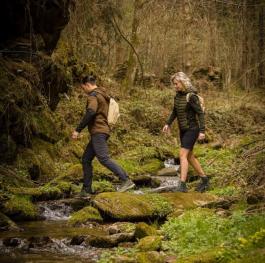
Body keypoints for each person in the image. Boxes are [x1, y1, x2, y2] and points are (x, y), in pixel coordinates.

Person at [72, 75, 135, 196]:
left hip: (98, 131)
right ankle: (86, 190)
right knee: (86, 159)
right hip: (103, 130)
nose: (83, 90)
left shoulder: (93, 96)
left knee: (104, 158)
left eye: (83, 87)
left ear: (87, 85)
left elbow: (91, 111)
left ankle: (126, 180)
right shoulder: (103, 94)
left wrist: (78, 130)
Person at [162, 72, 209, 193]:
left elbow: (200, 113)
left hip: (192, 129)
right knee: (189, 156)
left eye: (176, 84)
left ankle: (182, 184)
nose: (175, 86)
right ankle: (204, 180)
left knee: (182, 154)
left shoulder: (191, 96)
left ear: (183, 82)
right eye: (174, 84)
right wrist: (167, 123)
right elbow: (174, 111)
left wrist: (202, 131)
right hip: (183, 130)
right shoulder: (177, 96)